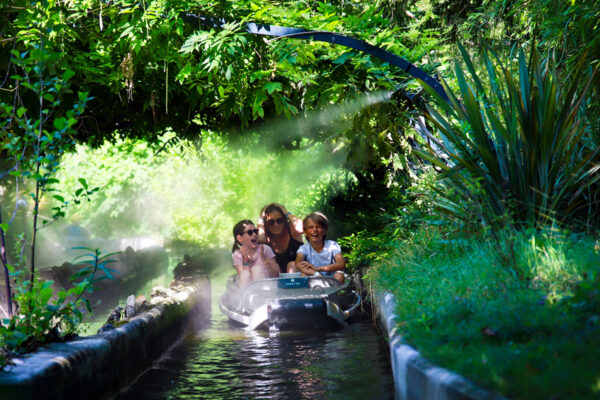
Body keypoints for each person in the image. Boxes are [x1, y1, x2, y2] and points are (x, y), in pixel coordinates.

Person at [295, 212, 346, 283]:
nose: (315, 230)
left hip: (331, 280)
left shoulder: (332, 245)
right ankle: (309, 293)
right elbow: (298, 263)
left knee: (339, 275)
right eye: (310, 227)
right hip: (314, 278)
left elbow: (341, 264)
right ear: (305, 231)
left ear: (325, 231)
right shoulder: (303, 248)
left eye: (318, 227)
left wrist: (318, 268)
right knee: (303, 275)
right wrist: (316, 273)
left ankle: (333, 293)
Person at [257, 203, 304, 273]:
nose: (276, 225)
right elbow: (260, 239)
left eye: (279, 220)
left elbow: (301, 228)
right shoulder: (266, 237)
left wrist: (287, 213)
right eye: (271, 222)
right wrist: (261, 217)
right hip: (275, 279)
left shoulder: (292, 230)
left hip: (298, 278)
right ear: (266, 224)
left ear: (284, 220)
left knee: (292, 265)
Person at [232, 220, 279, 288]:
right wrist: (245, 262)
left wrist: (264, 259)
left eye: (255, 231)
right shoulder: (237, 255)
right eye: (250, 232)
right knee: (248, 273)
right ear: (240, 238)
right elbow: (244, 278)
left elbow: (276, 275)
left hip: (267, 286)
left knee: (257, 269)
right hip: (249, 288)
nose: (254, 234)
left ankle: (261, 295)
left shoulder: (265, 249)